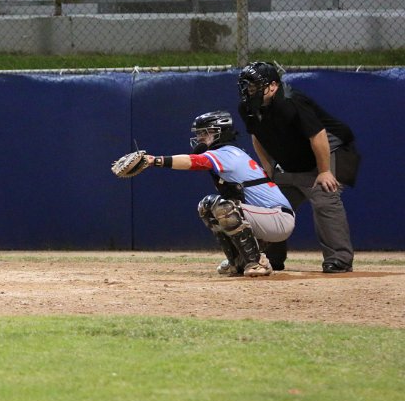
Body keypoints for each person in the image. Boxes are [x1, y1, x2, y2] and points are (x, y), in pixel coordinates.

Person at [141, 110, 295, 277]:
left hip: (278, 217)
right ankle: (238, 261)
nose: (200, 138)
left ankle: (257, 262)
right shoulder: (228, 152)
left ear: (220, 132)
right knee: (207, 207)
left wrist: (154, 160)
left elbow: (193, 161)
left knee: (223, 207)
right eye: (199, 133)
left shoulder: (227, 153)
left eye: (205, 133)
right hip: (265, 216)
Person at [237, 62, 357, 273]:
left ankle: (339, 258)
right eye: (247, 86)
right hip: (295, 158)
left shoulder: (291, 101)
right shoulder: (247, 108)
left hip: (330, 150)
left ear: (273, 86)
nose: (249, 91)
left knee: (324, 196)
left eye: (255, 86)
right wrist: (268, 167)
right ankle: (272, 257)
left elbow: (318, 135)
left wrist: (324, 171)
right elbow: (257, 135)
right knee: (273, 203)